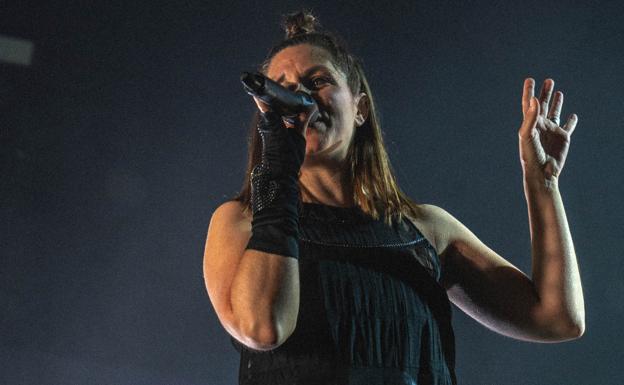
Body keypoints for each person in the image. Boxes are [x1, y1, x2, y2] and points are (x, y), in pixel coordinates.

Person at [203, 10, 585, 385]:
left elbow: (557, 318)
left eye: (317, 80)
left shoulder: (425, 230)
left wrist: (543, 183)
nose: (298, 94)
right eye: (283, 87)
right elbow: (262, 328)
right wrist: (278, 171)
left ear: (360, 108)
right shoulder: (241, 222)